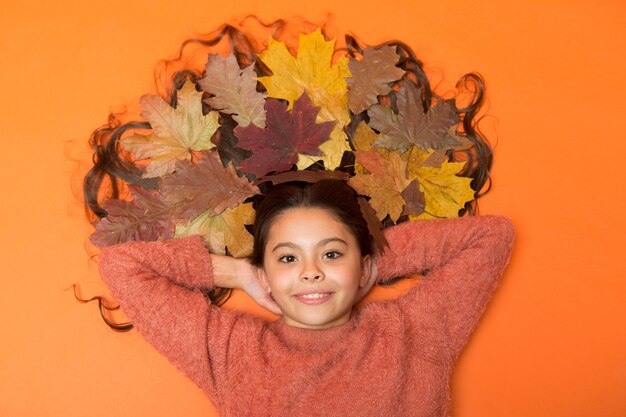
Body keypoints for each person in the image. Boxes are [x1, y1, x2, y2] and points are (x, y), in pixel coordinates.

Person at [98, 179, 514, 417]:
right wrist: (241, 272)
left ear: (362, 263)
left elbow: (490, 236)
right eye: (288, 258)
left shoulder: (414, 333)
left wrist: (372, 263)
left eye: (331, 254)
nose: (310, 271)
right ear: (268, 272)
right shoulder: (231, 351)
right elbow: (123, 266)